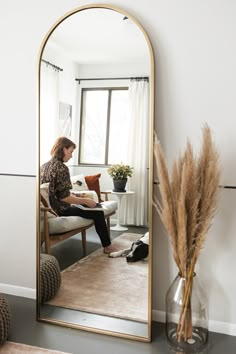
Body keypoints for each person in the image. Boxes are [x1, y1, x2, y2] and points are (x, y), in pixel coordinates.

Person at [40, 137, 117, 254]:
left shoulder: (44, 166)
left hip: (48, 209)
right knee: (97, 211)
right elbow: (64, 197)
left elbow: (55, 192)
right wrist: (85, 201)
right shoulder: (62, 168)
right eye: (71, 151)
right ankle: (108, 246)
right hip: (61, 209)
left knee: (93, 206)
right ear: (64, 149)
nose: (71, 156)